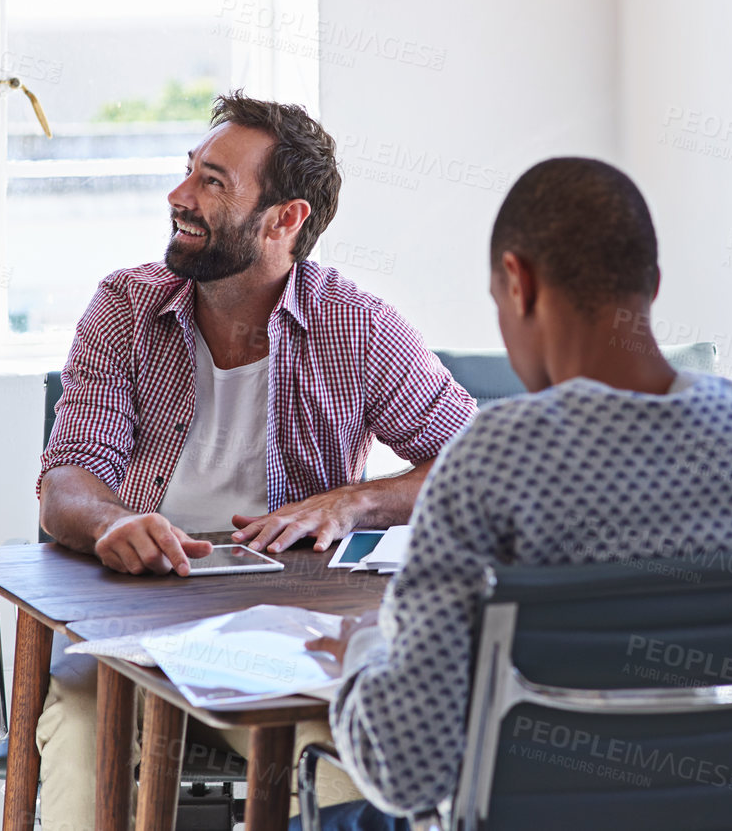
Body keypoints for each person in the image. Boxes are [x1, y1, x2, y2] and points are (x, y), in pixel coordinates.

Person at [312, 157, 732, 823]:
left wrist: (366, 647)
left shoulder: (494, 456)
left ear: (518, 283)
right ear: (652, 286)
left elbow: (406, 767)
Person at [33, 92, 477, 831]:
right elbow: (67, 479)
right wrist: (112, 521)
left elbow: (475, 463)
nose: (179, 197)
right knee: (80, 726)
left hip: (287, 647)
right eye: (188, 173)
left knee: (348, 747)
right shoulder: (123, 306)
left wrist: (353, 501)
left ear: (285, 219)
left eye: (213, 182)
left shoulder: (354, 324)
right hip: (138, 637)